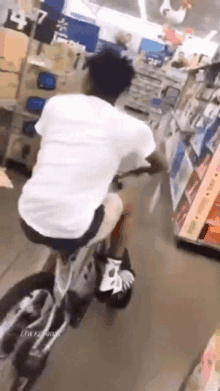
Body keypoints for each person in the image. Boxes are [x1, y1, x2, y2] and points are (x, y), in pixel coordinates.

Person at [18, 49, 167, 309]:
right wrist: (134, 173)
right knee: (126, 203)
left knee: (63, 225)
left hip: (28, 216)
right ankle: (111, 274)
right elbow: (160, 165)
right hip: (74, 227)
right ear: (123, 91)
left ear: (87, 77)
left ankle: (33, 303)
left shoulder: (56, 105)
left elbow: (33, 159)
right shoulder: (133, 128)